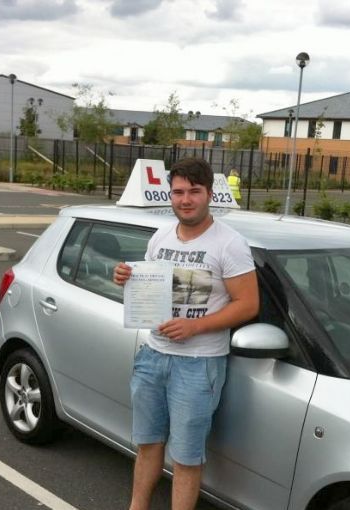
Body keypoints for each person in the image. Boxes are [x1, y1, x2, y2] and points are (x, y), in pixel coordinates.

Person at [113, 157, 259, 510]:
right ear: (170, 194)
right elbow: (151, 288)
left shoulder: (229, 244)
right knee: (147, 443)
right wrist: (126, 278)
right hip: (152, 354)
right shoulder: (161, 235)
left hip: (198, 364)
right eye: (178, 192)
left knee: (186, 456)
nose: (185, 199)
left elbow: (248, 304)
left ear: (210, 193)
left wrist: (196, 326)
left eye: (194, 191)